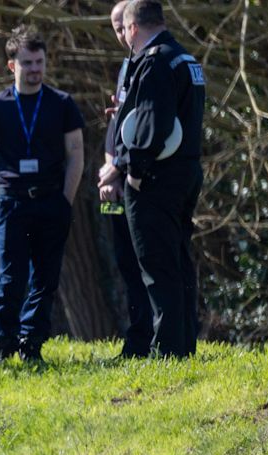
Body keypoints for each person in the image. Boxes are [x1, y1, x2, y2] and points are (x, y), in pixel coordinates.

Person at [0, 28, 85, 365]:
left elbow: (76, 153)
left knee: (46, 278)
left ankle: (32, 346)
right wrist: (0, 176)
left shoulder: (62, 103)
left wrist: (65, 199)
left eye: (39, 62)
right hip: (14, 202)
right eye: (27, 63)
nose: (35, 69)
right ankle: (3, 346)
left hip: (51, 200)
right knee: (11, 277)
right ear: (11, 65)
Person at [100, 0, 205, 358]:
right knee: (178, 261)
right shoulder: (184, 58)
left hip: (156, 179)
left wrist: (134, 172)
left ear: (133, 28)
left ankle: (167, 350)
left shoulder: (154, 61)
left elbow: (152, 125)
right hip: (186, 172)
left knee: (157, 267)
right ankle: (183, 344)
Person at [100, 0, 158, 359]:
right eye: (116, 28)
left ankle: (148, 339)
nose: (121, 34)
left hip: (136, 180)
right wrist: (109, 168)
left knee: (144, 263)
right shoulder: (127, 66)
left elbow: (146, 130)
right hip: (115, 181)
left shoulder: (149, 64)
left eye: (125, 26)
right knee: (124, 261)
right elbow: (119, 128)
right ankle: (137, 338)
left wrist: (120, 170)